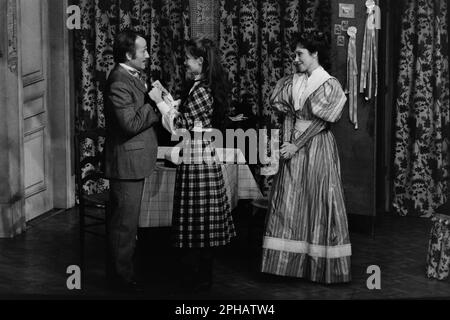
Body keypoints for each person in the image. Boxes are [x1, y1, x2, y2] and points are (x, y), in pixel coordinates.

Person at [261, 32, 352, 284]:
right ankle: (288, 266)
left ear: (315, 55)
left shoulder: (328, 83)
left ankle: (318, 266)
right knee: (289, 202)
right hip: (293, 145)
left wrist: (296, 144)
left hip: (317, 146)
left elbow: (322, 122)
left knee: (318, 199)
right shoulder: (292, 81)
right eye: (295, 53)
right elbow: (288, 114)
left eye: (300, 53)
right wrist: (286, 143)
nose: (295, 58)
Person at [149, 38, 236, 291]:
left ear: (200, 61)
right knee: (199, 218)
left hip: (198, 156)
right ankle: (199, 275)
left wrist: (159, 102)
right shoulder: (200, 86)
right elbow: (185, 117)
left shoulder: (201, 89)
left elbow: (179, 126)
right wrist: (170, 102)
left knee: (199, 218)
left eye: (188, 57)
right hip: (199, 153)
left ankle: (199, 278)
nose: (184, 61)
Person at [104, 30, 160, 292]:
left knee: (129, 224)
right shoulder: (118, 81)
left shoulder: (131, 76)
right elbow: (129, 124)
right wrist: (153, 104)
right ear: (129, 54)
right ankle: (120, 280)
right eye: (144, 50)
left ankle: (125, 273)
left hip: (137, 161)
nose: (148, 55)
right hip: (126, 165)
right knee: (123, 227)